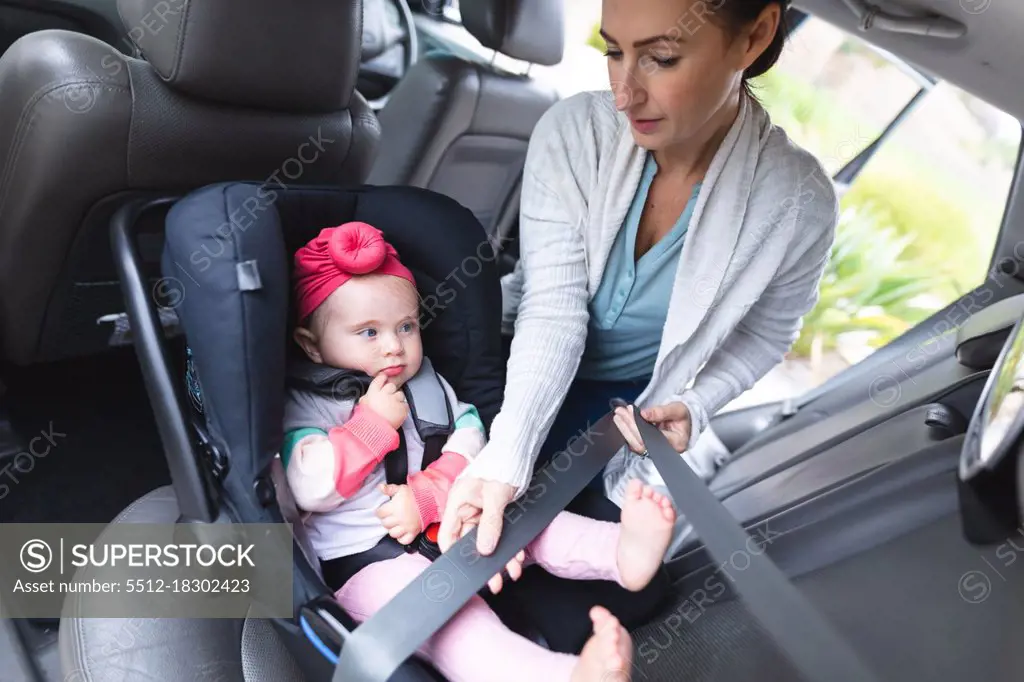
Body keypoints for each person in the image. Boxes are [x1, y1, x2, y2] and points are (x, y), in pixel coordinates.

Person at [439, 0, 840, 653]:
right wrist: (508, 454)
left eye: (660, 57)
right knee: (420, 505)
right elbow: (554, 306)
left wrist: (696, 403)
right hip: (516, 362)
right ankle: (235, 597)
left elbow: (767, 336)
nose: (624, 92)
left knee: (603, 602)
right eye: (614, 51)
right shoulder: (575, 133)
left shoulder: (796, 203)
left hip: (620, 417)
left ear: (756, 36)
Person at [282, 221, 682, 682]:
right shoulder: (307, 404)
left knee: (529, 522)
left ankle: (619, 552)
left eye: (406, 326)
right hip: (368, 566)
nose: (394, 346)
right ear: (311, 346)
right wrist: (369, 428)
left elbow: (470, 433)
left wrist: (436, 489)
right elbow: (307, 485)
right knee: (456, 622)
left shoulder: (426, 383)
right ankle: (557, 675)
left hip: (449, 520)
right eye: (368, 333)